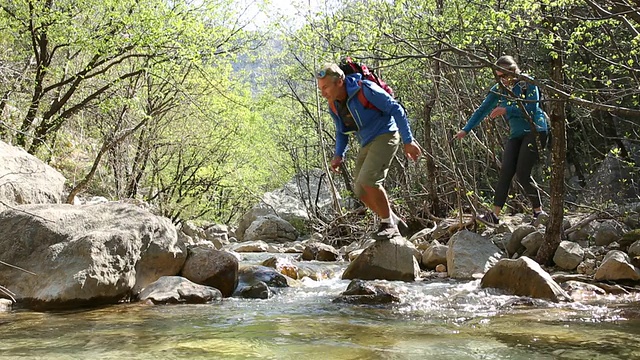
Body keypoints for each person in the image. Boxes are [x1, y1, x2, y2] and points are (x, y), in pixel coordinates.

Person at [316, 62, 422, 239]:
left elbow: (396, 108)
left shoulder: (365, 89)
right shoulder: (333, 105)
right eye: (321, 88)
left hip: (386, 134)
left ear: (340, 82)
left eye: (326, 87)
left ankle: (387, 224)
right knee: (360, 189)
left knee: (369, 180)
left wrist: (408, 140)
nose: (323, 93)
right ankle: (394, 221)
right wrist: (338, 155)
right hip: (366, 141)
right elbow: (341, 131)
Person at [454, 55, 549, 225]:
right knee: (506, 171)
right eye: (499, 76)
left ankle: (539, 212)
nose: (502, 79)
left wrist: (506, 109)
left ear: (513, 71)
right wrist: (465, 129)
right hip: (516, 133)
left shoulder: (527, 82)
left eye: (504, 75)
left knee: (522, 173)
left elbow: (531, 107)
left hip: (535, 130)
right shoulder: (499, 88)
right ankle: (494, 215)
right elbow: (482, 109)